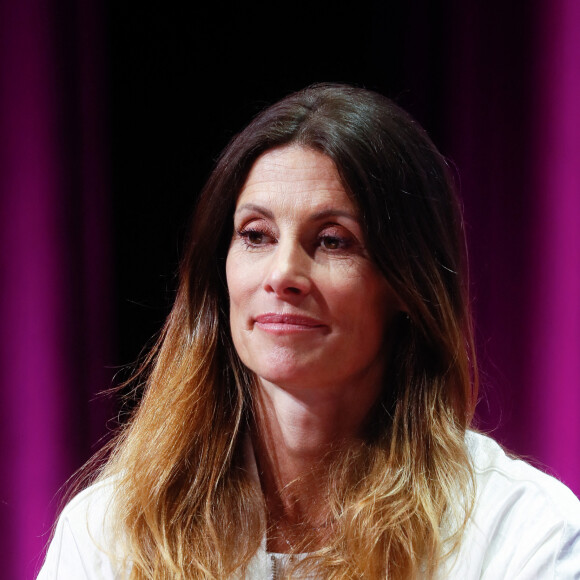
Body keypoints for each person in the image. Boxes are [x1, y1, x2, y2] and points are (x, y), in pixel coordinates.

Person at [38, 84, 580, 579]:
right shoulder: (110, 532)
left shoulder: (521, 532)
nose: (282, 275)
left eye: (333, 241)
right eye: (256, 235)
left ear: (406, 285)